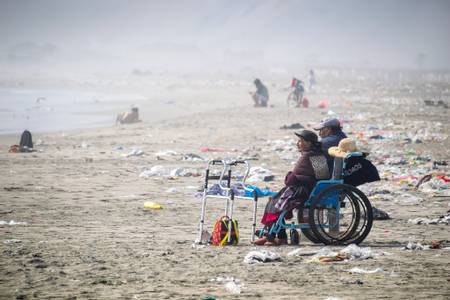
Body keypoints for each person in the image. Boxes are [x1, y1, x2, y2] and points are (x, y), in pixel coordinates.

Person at [253, 130, 330, 246]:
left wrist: (292, 176)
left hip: (302, 191)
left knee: (275, 203)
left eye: (301, 141)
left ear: (309, 143)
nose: (298, 143)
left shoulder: (307, 156)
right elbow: (323, 175)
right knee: (274, 201)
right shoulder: (318, 154)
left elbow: (291, 180)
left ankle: (273, 236)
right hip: (310, 189)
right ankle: (276, 236)